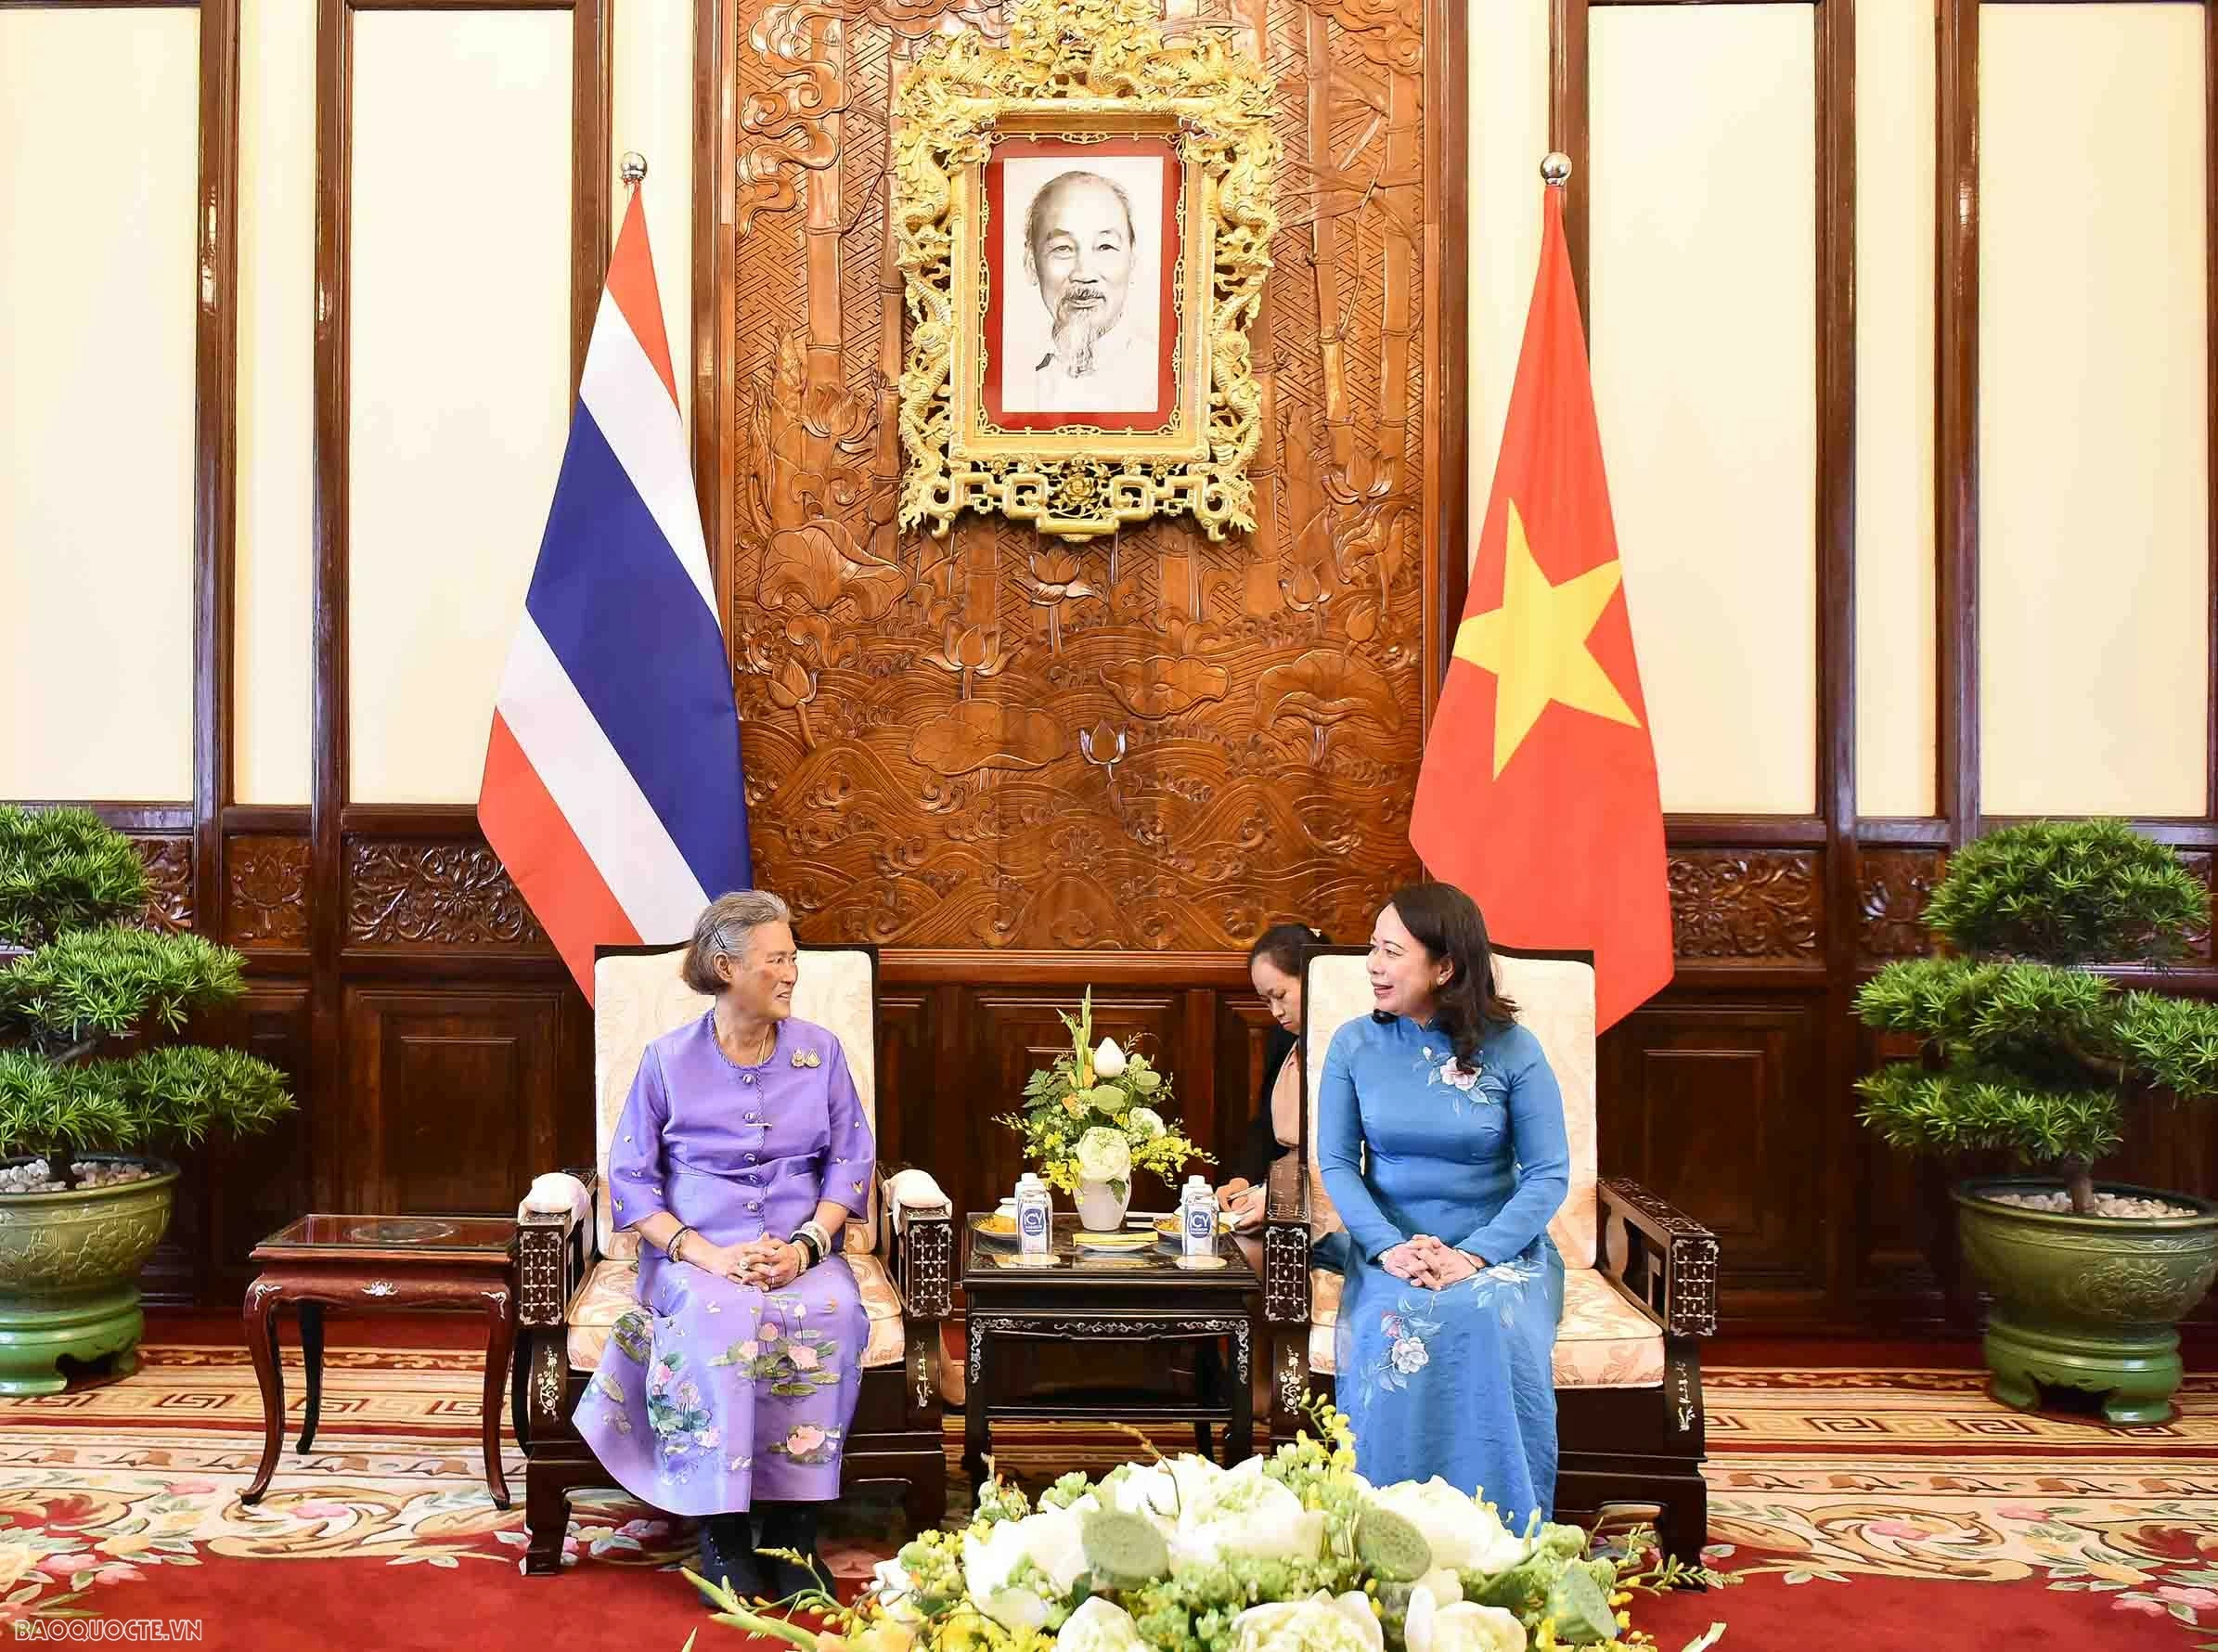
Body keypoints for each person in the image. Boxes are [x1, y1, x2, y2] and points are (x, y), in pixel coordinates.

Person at [575, 890, 874, 1604]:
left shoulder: (820, 1052)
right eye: (776, 960)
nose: (791, 973)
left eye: (792, 959)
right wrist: (705, 1256)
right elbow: (631, 1179)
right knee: (722, 1320)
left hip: (800, 1249)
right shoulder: (667, 1060)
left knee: (829, 1311)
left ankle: (793, 1531)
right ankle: (723, 1531)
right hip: (695, 1256)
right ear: (726, 967)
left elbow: (852, 1162)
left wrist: (806, 1248)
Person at [1313, 883, 1567, 1527]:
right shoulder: (1353, 1046)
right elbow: (1338, 1163)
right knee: (1392, 1323)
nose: (1372, 964)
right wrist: (1390, 1247)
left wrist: (1475, 1255)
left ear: (1444, 966)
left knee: (1483, 1316)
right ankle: (1384, 1531)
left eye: (1391, 951)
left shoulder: (1515, 1049)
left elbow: (1547, 1174)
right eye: (1372, 947)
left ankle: (1496, 1535)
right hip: (1388, 1246)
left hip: (1498, 1251)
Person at [1010, 169, 1159, 414]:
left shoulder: (1166, 378)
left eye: (1105, 246)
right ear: (1030, 263)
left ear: (1132, 261)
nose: (1084, 273)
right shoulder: (1001, 381)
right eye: (1063, 248)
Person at [1219, 924, 1322, 1250]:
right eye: (1266, 1001)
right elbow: (1265, 1123)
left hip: (1322, 1193)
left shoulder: (1351, 1041)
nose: (1276, 1012)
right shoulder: (1282, 1039)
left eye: (1280, 996)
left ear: (1313, 979)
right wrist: (1242, 1179)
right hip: (1277, 1187)